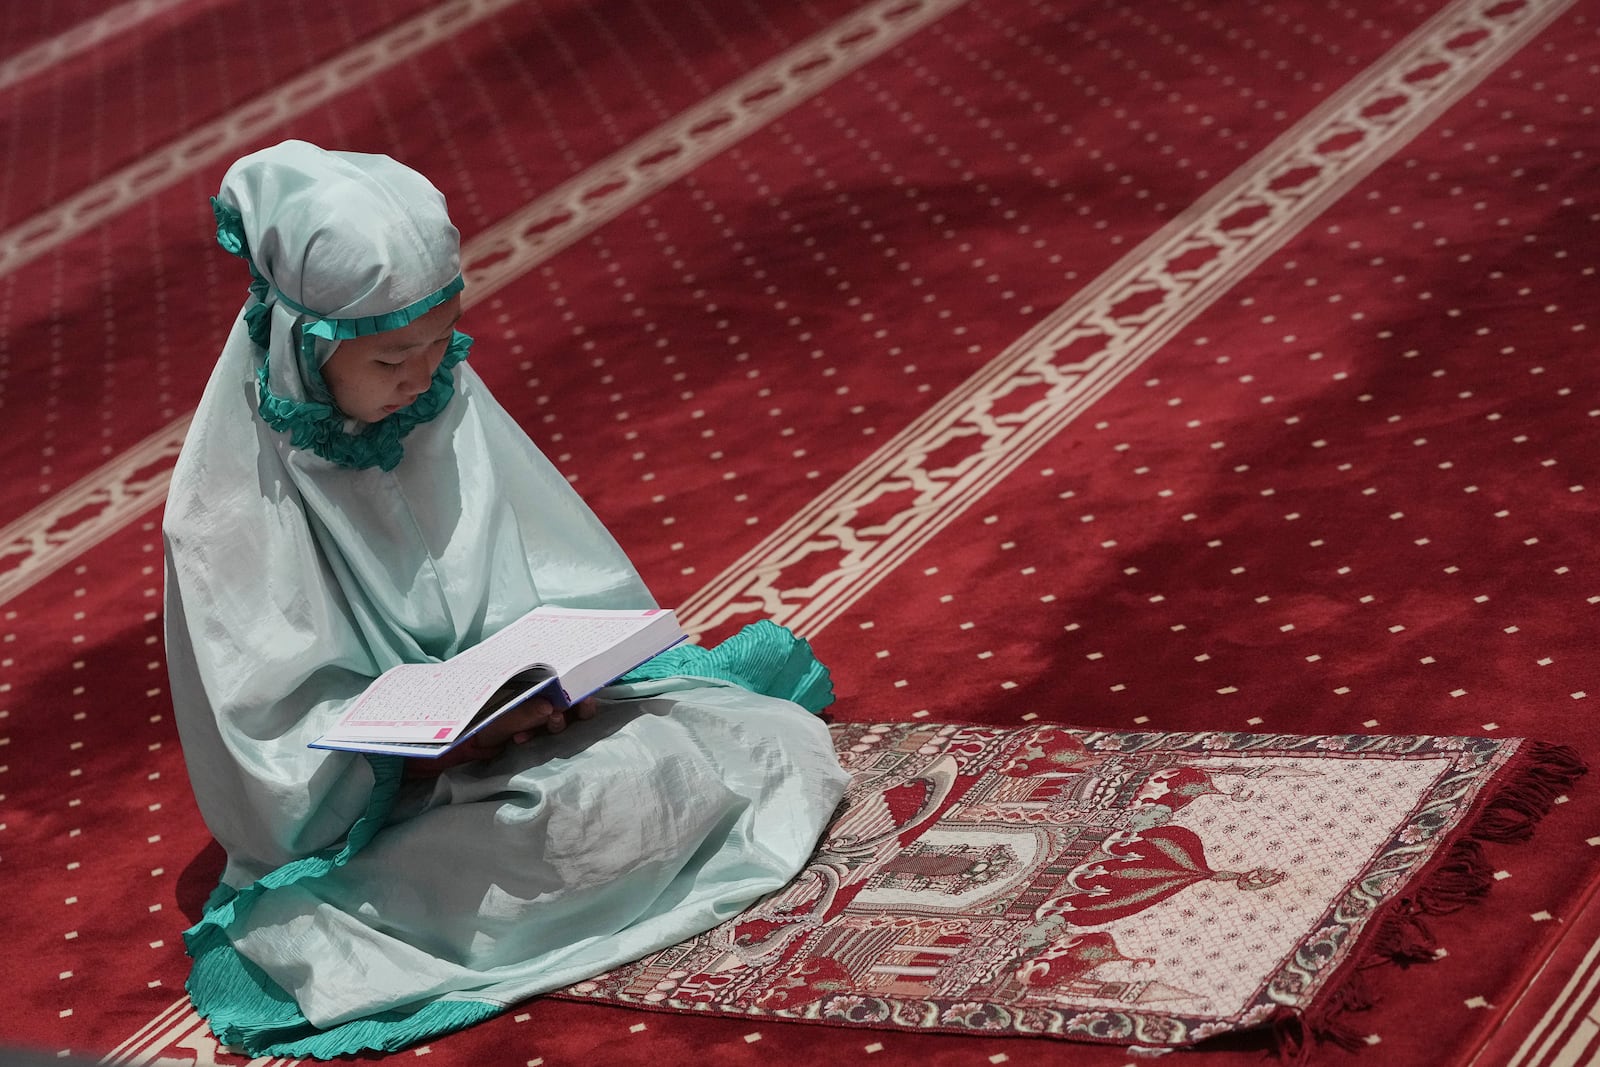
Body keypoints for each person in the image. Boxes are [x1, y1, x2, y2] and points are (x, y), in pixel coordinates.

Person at [163, 140, 851, 1059]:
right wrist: (413, 752)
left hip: (527, 741)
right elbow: (272, 730)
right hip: (383, 805)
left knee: (671, 763)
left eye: (439, 346)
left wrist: (542, 689)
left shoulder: (439, 401)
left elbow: (550, 576)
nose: (421, 379)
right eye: (390, 360)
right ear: (301, 347)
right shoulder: (221, 515)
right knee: (545, 838)